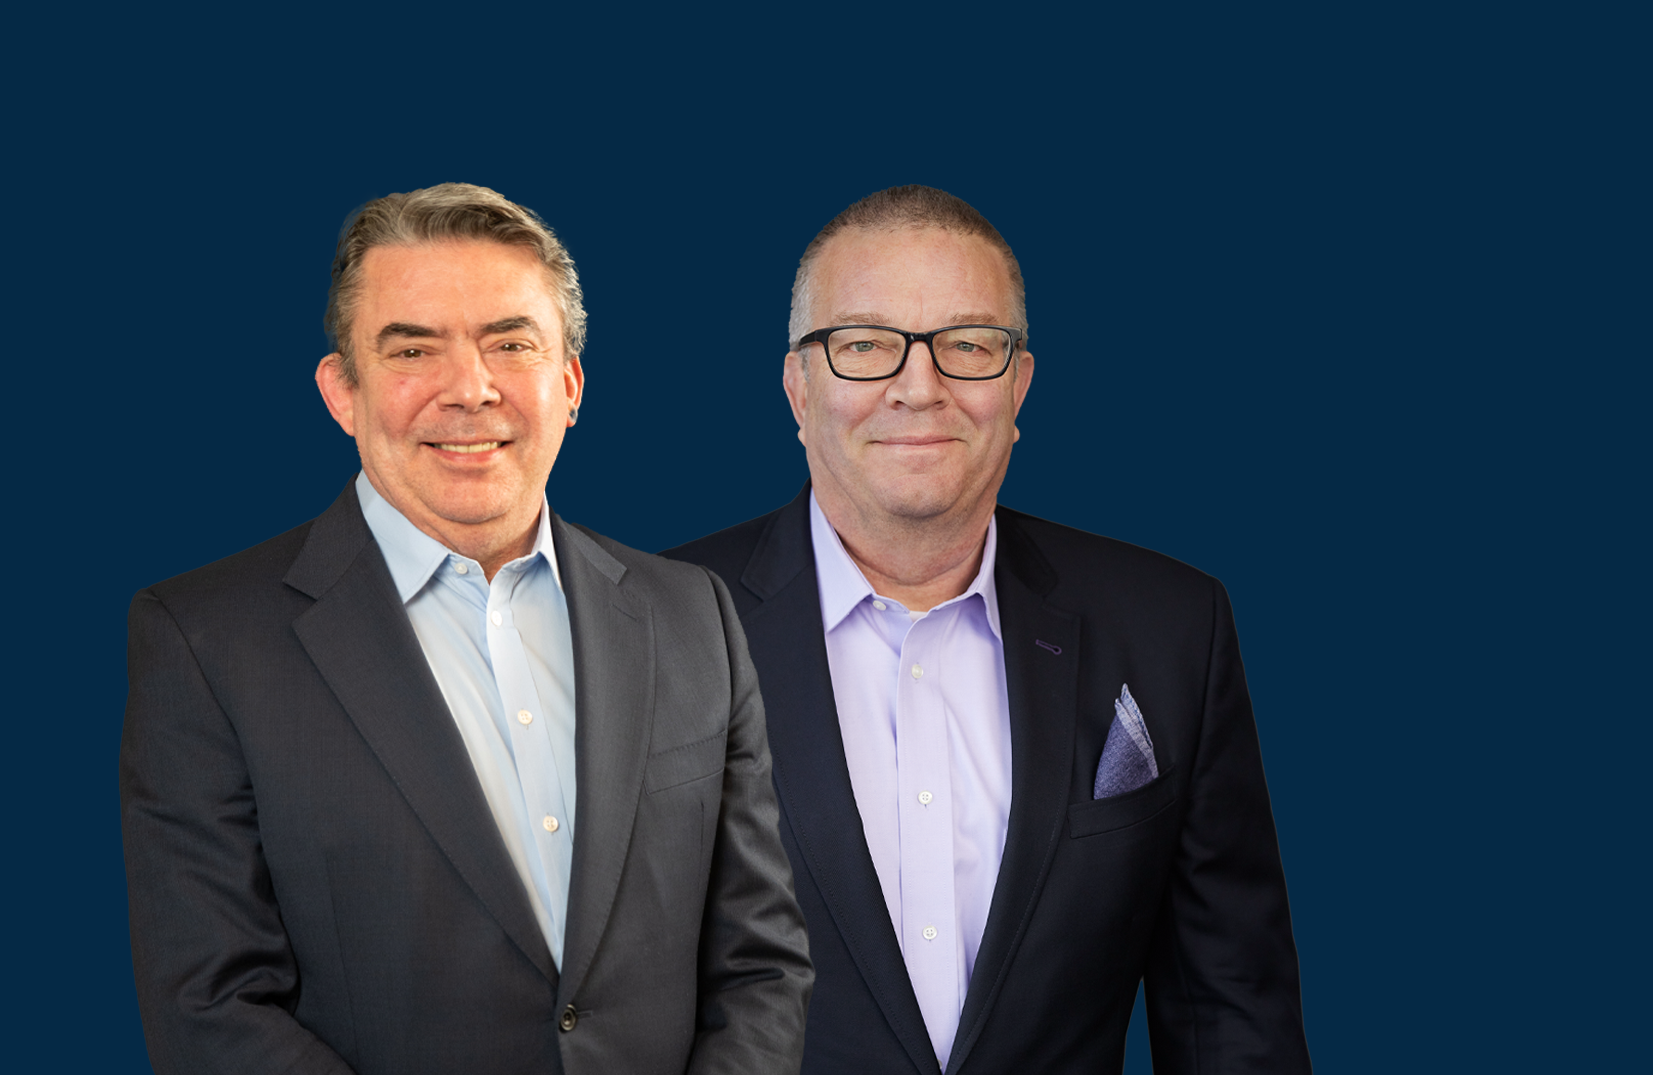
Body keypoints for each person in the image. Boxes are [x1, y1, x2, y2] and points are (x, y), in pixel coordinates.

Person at [120, 183, 811, 1075]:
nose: (471, 390)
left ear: (569, 385)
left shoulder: (693, 616)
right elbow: (209, 1007)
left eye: (510, 344)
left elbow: (761, 964)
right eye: (413, 349)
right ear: (343, 392)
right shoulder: (204, 641)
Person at [664, 185, 1311, 1074]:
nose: (919, 388)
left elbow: (1231, 1013)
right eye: (864, 347)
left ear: (1019, 385)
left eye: (968, 345)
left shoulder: (1170, 629)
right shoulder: (651, 630)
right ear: (797, 388)